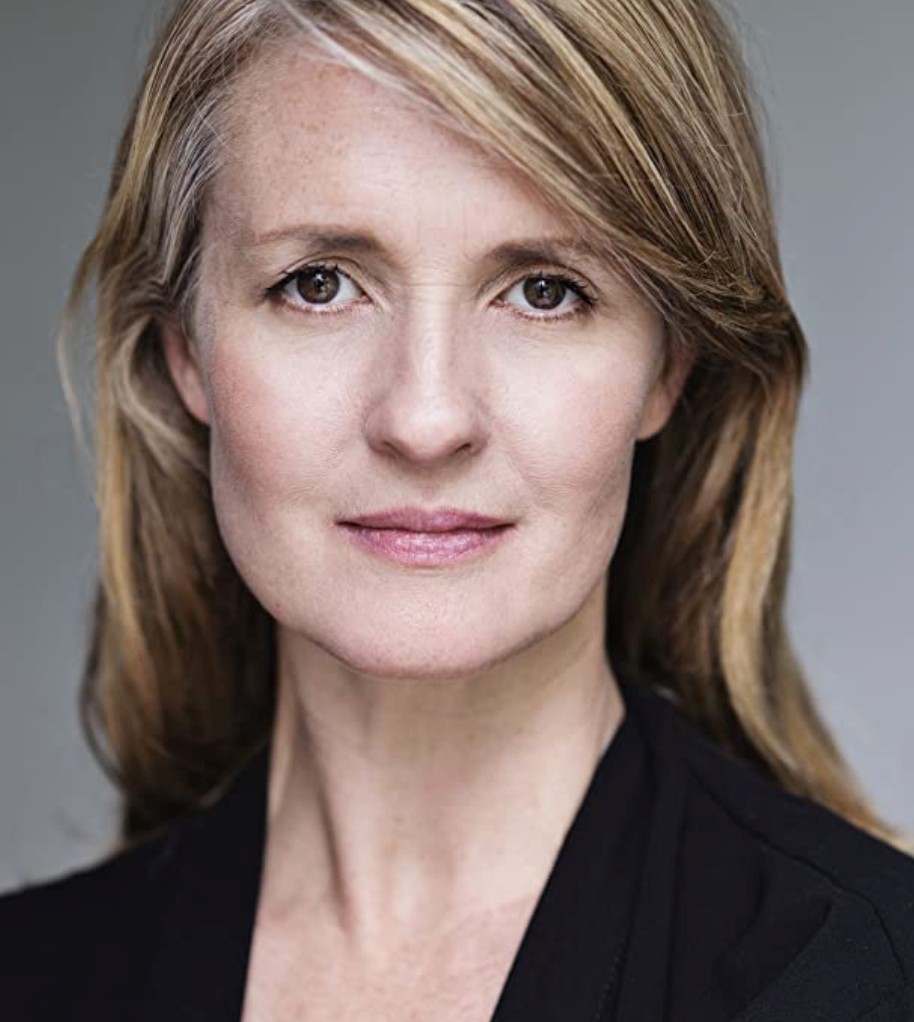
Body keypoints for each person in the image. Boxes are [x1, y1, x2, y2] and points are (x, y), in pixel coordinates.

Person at [2, 0, 913, 1019]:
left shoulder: (861, 981)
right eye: (318, 284)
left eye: (544, 290)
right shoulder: (29, 978)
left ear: (666, 363)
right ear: (186, 348)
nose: (426, 419)